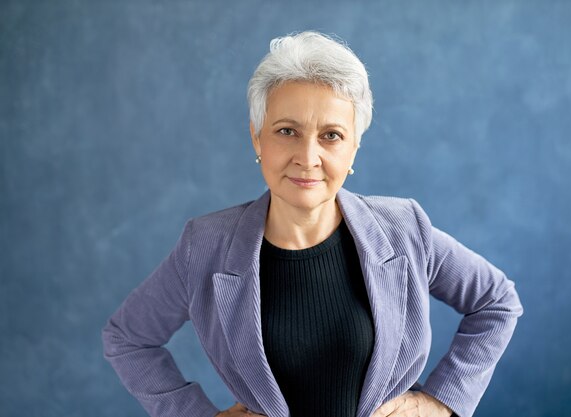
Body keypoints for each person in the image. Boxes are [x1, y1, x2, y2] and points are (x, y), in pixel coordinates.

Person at [102, 31, 523, 417]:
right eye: (287, 131)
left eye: (331, 135)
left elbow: (497, 302)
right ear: (256, 138)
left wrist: (441, 399)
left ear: (355, 145)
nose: (307, 157)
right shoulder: (205, 245)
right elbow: (127, 339)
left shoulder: (404, 228)